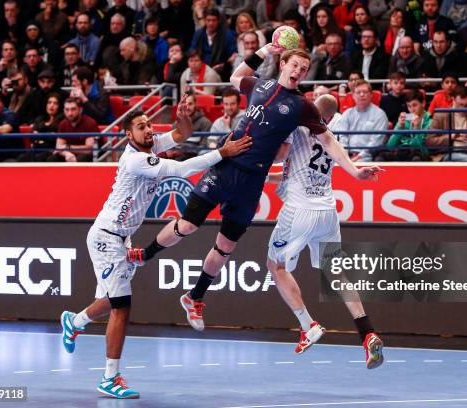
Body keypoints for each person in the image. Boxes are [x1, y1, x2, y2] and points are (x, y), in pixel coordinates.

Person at [127, 45, 379, 330]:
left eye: (304, 69)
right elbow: (236, 76)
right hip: (226, 165)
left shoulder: (302, 107)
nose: (298, 72)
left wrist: (355, 172)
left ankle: (195, 297)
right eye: (294, 65)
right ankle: (144, 254)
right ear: (283, 64)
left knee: (225, 247)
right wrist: (264, 50)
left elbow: (330, 141)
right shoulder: (260, 84)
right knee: (186, 226)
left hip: (251, 182)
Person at [59, 99, 251, 399]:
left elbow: (181, 134)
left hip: (122, 238)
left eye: (149, 125)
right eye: (140, 127)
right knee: (122, 305)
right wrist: (222, 153)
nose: (148, 130)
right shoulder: (135, 159)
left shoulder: (149, 145)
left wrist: (184, 118)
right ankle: (110, 378)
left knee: (110, 300)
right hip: (106, 237)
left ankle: (74, 321)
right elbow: (183, 169)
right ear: (128, 135)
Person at [266, 93, 384, 367]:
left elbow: (280, 155)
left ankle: (308, 325)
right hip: (327, 212)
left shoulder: (295, 128)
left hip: (298, 210)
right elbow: (288, 173)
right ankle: (367, 333)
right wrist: (356, 172)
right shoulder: (331, 139)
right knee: (336, 272)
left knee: (276, 265)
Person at [335, 79, 389, 161]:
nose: (362, 94)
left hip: (368, 157)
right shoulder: (347, 113)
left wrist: (357, 157)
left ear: (371, 95)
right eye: (358, 92)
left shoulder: (380, 114)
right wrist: (345, 157)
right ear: (353, 95)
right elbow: (343, 138)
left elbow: (376, 142)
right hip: (346, 156)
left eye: (365, 92)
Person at [47, 97, 99, 162]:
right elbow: (59, 147)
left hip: (85, 155)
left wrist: (68, 148)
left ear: (80, 110)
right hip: (70, 154)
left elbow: (89, 150)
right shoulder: (63, 124)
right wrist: (66, 154)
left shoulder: (90, 123)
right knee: (52, 159)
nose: (70, 113)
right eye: (67, 109)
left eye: (73, 109)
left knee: (83, 158)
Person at [385, 89, 432, 161]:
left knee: (416, 157)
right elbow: (390, 146)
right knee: (381, 157)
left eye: (415, 105)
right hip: (401, 153)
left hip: (420, 156)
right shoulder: (404, 120)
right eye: (409, 106)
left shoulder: (430, 122)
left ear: (423, 103)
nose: (412, 110)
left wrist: (417, 129)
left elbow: (424, 150)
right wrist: (400, 127)